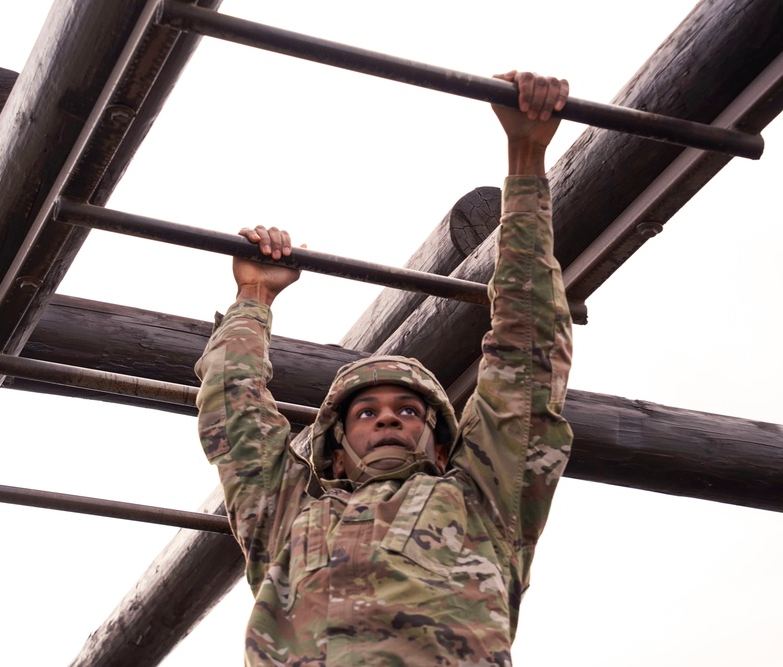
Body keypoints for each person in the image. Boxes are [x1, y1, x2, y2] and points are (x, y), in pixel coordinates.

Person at [195, 70, 573, 666]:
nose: (388, 419)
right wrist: (253, 300)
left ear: (443, 447)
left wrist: (526, 158)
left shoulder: (483, 498)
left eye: (408, 410)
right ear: (337, 449)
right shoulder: (290, 515)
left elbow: (526, 349)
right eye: (366, 412)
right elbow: (233, 414)